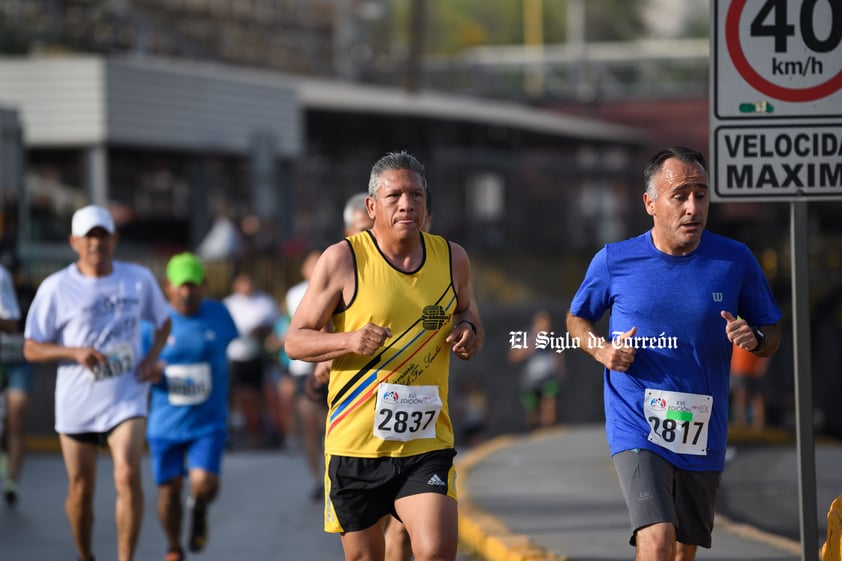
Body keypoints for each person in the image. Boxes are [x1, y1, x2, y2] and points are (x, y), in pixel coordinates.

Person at [566, 146, 782, 561]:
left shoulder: (734, 260)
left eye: (701, 195)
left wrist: (754, 337)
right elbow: (577, 320)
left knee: (682, 552)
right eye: (680, 195)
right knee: (657, 538)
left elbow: (771, 333)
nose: (692, 207)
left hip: (702, 426)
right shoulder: (615, 260)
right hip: (636, 423)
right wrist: (603, 351)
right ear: (650, 203)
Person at [285, 151, 483, 561]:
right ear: (372, 207)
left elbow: (470, 318)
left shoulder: (453, 259)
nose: (406, 204)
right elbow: (295, 341)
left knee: (435, 550)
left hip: (425, 442)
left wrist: (467, 332)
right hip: (355, 446)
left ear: (427, 204)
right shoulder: (343, 259)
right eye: (394, 196)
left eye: (416, 195)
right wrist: (348, 341)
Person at [23, 204, 171, 561]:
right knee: (80, 490)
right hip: (78, 400)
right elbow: (31, 347)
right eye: (89, 236)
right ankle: (85, 554)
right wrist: (74, 353)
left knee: (127, 474)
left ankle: (125, 558)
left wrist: (151, 359)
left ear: (114, 239)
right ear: (74, 241)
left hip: (127, 394)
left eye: (103, 235)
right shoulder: (56, 287)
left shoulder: (137, 278)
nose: (96, 243)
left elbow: (163, 321)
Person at [145, 252, 239, 561]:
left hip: (207, 421)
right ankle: (173, 545)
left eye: (194, 285)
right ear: (168, 286)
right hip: (166, 423)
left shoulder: (219, 314)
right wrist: (151, 372)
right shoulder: (152, 324)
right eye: (181, 285)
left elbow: (234, 352)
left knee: (205, 485)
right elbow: (138, 369)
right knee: (169, 492)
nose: (187, 292)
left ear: (204, 285)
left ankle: (198, 508)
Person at [283, 249, 328, 501]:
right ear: (304, 270)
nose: (315, 268)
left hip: (332, 367)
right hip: (303, 368)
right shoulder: (295, 294)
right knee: (309, 424)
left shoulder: (337, 285)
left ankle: (333, 475)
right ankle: (316, 479)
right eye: (311, 264)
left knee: (329, 426)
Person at [223, 271, 279, 447]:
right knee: (234, 394)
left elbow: (275, 326)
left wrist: (261, 331)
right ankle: (232, 431)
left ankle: (260, 432)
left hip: (256, 355)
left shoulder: (264, 301)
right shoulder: (229, 304)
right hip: (234, 355)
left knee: (257, 394)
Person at [0, 260, 36, 506]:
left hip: (17, 358)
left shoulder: (28, 293)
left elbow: (13, 323)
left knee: (16, 419)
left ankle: (11, 480)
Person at [507, 309, 565, 431]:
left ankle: (549, 429)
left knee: (549, 402)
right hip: (530, 381)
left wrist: (560, 369)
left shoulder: (553, 338)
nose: (545, 327)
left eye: (547, 324)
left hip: (548, 378)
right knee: (532, 412)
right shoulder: (526, 336)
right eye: (542, 324)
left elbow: (559, 354)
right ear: (535, 323)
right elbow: (512, 355)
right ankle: (533, 431)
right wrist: (527, 349)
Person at [729, 342, 769, 430]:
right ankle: (740, 423)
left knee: (756, 397)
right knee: (740, 396)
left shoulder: (756, 331)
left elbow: (766, 349)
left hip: (753, 369)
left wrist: (761, 365)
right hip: (739, 368)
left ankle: (758, 424)